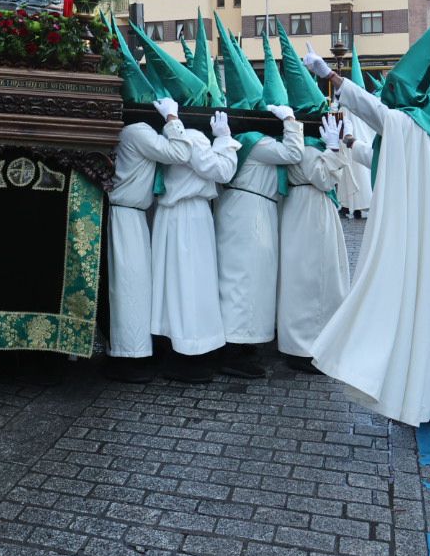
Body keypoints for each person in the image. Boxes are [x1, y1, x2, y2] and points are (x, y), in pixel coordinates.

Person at [302, 0, 430, 427]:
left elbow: (375, 113)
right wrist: (347, 143)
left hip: (417, 236)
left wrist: (331, 76)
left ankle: (422, 389)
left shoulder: (407, 122)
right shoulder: (425, 127)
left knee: (409, 300)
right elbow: (383, 156)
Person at [103, 84, 192, 383]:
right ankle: (127, 357)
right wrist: (172, 118)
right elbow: (178, 152)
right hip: (126, 214)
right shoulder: (138, 131)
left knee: (135, 288)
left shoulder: (133, 130)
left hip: (133, 215)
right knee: (130, 289)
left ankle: (134, 352)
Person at [213, 103, 303, 378]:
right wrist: (290, 119)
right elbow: (294, 152)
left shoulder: (246, 141)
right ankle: (232, 349)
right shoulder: (257, 142)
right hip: (248, 214)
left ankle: (241, 342)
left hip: (247, 210)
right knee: (243, 281)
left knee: (245, 280)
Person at [151, 110, 239, 382]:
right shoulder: (194, 138)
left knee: (174, 283)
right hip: (189, 216)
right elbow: (223, 171)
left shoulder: (168, 135)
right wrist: (225, 140)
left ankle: (176, 344)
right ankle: (191, 350)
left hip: (171, 216)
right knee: (190, 283)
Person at [276, 113, 351, 371]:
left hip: (302, 210)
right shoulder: (307, 148)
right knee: (312, 278)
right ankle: (307, 346)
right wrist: (332, 149)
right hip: (311, 212)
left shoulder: (301, 144)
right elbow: (323, 179)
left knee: (303, 277)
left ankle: (303, 342)